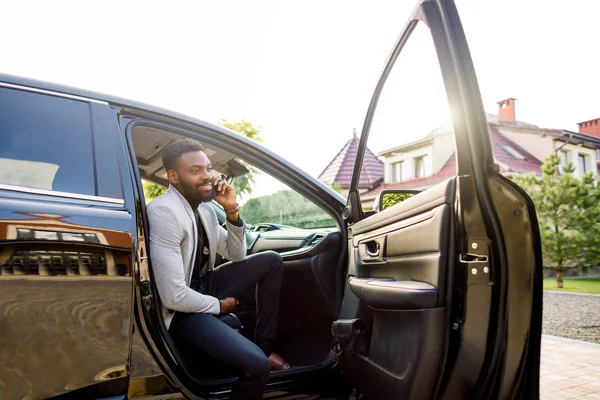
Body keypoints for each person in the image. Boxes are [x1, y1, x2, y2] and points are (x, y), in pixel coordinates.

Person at [147, 139, 289, 400]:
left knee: (271, 261)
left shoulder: (206, 210)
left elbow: (236, 254)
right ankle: (261, 358)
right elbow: (173, 296)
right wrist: (219, 305)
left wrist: (232, 211)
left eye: (208, 168)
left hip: (202, 284)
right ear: (173, 177)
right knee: (256, 367)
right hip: (180, 312)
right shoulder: (163, 212)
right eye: (195, 170)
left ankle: (265, 347)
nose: (207, 176)